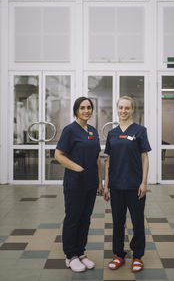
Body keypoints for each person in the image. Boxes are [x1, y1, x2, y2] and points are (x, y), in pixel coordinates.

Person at [55, 97, 103, 273]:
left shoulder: (92, 131)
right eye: (82, 108)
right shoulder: (70, 130)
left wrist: (100, 181)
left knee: (85, 219)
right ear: (76, 110)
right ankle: (70, 256)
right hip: (75, 183)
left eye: (89, 107)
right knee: (73, 218)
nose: (86, 110)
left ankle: (80, 252)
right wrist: (78, 168)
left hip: (90, 184)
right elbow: (58, 154)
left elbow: (97, 158)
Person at [103, 96, 151, 273]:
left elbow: (145, 157)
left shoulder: (140, 131)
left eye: (127, 108)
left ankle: (137, 256)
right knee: (117, 221)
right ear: (117, 109)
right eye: (120, 108)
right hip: (116, 185)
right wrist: (106, 185)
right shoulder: (112, 133)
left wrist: (144, 182)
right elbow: (108, 160)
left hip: (134, 185)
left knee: (137, 221)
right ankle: (119, 254)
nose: (123, 111)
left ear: (132, 110)